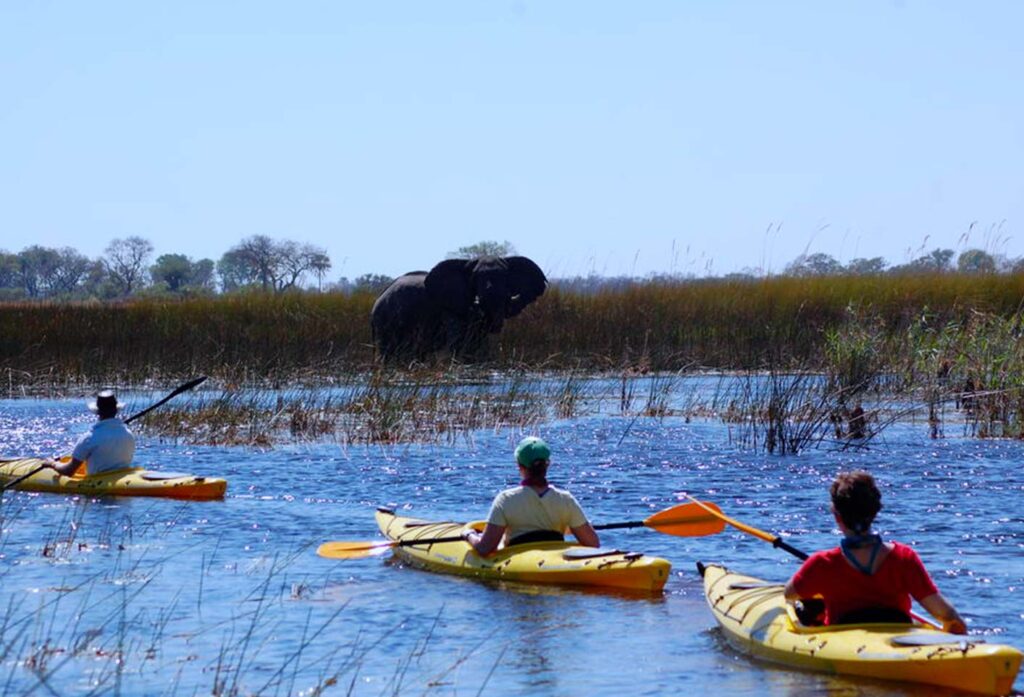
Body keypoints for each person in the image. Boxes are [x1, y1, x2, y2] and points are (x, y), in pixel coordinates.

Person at [784, 470, 966, 633]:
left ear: (837, 516)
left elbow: (790, 594)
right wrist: (954, 630)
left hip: (843, 640)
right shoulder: (904, 558)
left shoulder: (821, 564)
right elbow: (945, 612)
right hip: (898, 636)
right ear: (874, 512)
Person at [465, 436, 600, 556]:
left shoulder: (506, 499)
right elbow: (593, 543)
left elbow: (484, 548)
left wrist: (469, 535)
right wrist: (572, 528)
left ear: (520, 466)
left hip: (519, 559)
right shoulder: (566, 499)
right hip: (553, 556)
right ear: (548, 464)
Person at [47, 390, 136, 477]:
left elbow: (68, 471)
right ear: (116, 410)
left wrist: (53, 464)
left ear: (98, 412)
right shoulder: (128, 434)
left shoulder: (89, 438)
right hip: (122, 477)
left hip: (97, 482)